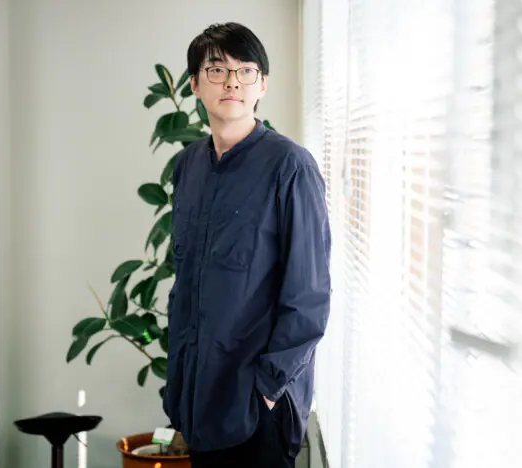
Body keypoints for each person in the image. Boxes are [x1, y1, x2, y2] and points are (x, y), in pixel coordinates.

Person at [163, 22, 331, 468]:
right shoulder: (187, 167)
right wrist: (178, 381)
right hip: (197, 395)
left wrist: (268, 390)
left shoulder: (290, 167)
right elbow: (185, 282)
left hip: (256, 406)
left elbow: (309, 295)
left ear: (263, 85)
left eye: (246, 71)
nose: (232, 82)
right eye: (217, 70)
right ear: (195, 84)